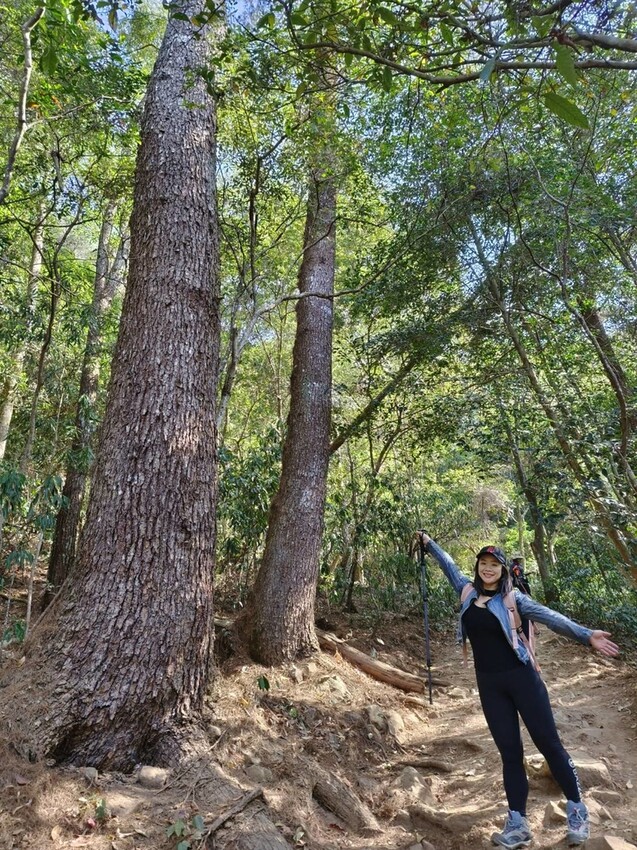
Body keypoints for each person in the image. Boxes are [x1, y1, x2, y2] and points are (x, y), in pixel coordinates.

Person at [418, 532, 619, 849]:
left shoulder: (515, 600)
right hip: (489, 685)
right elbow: (450, 567)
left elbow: (551, 618)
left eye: (493, 565)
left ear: (502, 569)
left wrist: (586, 635)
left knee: (550, 745)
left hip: (523, 679)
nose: (487, 569)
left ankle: (577, 810)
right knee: (510, 754)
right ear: (478, 567)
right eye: (483, 564)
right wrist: (429, 544)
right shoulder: (466, 591)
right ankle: (517, 824)